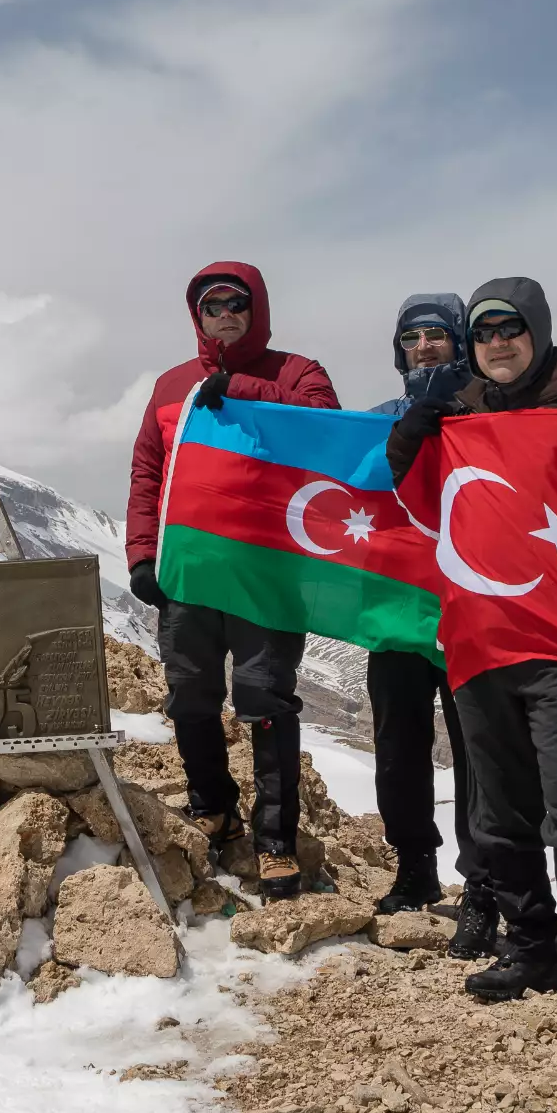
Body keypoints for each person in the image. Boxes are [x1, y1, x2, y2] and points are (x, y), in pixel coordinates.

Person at [386, 280, 557, 1041]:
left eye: (513, 328)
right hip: (479, 642)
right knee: (498, 814)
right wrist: (415, 431)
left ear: (538, 333)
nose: (498, 342)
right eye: (486, 329)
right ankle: (531, 946)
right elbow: (408, 493)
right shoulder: (456, 415)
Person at [125, 263, 339, 901]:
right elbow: (146, 470)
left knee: (263, 696)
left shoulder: (296, 372)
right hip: (190, 571)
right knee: (189, 694)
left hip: (268, 573)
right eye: (211, 303)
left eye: (236, 302)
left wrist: (242, 388)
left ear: (256, 308)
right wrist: (142, 554)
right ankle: (211, 805)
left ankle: (275, 842)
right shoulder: (170, 386)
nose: (224, 312)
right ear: (197, 314)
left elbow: (325, 430)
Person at [362, 294, 477, 925]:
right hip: (396, 614)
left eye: (437, 334)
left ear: (459, 342)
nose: (424, 346)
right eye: (412, 337)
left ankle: (482, 877)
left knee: (479, 754)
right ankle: (413, 869)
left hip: (470, 614)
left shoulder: (488, 415)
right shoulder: (376, 420)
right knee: (397, 752)